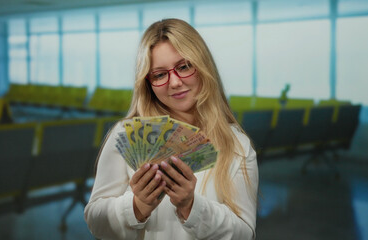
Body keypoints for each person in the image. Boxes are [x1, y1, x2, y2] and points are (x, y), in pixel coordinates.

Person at [84, 18, 259, 240]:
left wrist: (192, 207)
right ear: (147, 83)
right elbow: (95, 222)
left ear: (203, 66)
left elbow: (245, 234)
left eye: (184, 66)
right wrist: (137, 206)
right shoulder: (127, 136)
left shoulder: (237, 146)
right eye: (159, 74)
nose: (174, 82)